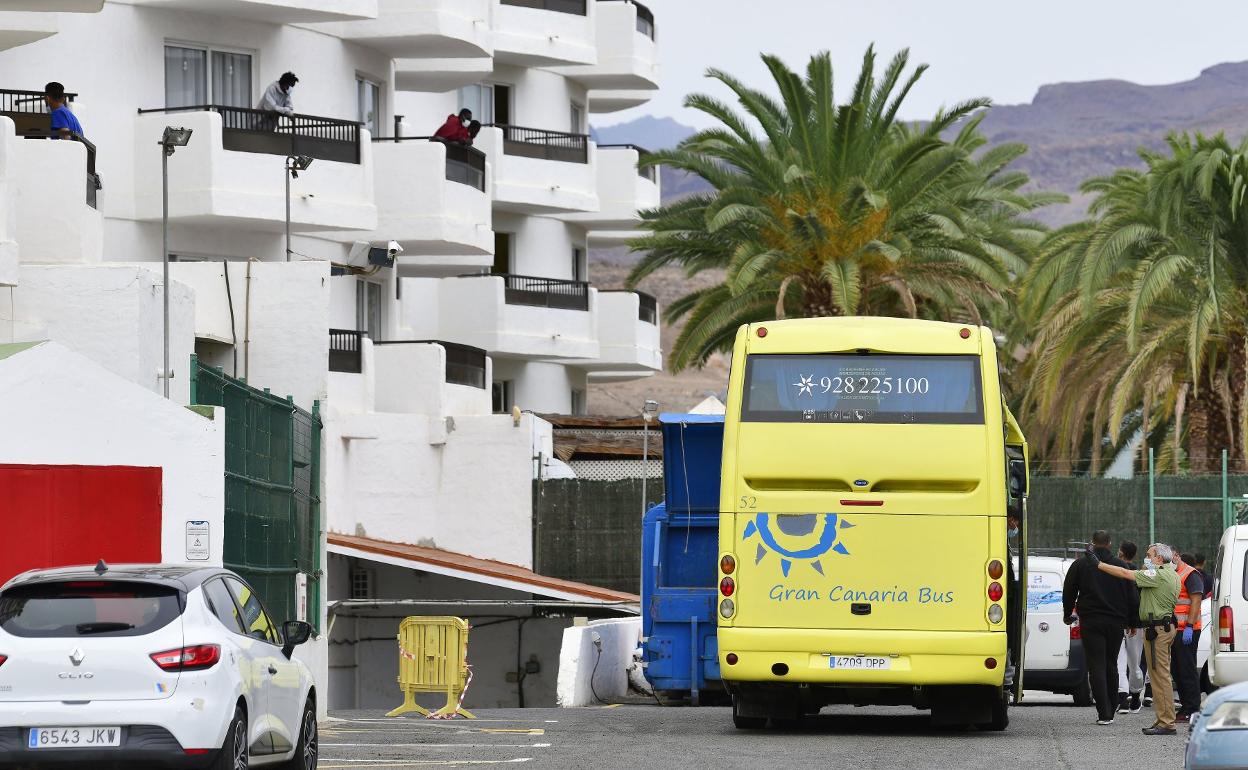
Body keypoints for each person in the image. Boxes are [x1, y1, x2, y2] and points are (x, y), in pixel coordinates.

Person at [1089, 542, 1182, 735]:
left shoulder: (1158, 574)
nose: (1146, 558)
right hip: (1161, 627)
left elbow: (1125, 573)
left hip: (1157, 629)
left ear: (1158, 558)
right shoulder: (1170, 573)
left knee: (1160, 677)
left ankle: (1167, 723)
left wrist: (1098, 564)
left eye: (1149, 555)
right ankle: (1163, 719)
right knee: (1158, 676)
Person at [1063, 530, 1135, 725]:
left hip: (1091, 621)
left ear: (1092, 543)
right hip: (1116, 622)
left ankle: (1104, 713)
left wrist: (1067, 613)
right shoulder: (1121, 566)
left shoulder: (1080, 565)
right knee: (1111, 663)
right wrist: (1132, 621)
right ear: (1110, 543)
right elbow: (1131, 595)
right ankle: (1112, 705)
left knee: (1096, 665)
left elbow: (1069, 590)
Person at [1170, 551, 1205, 722]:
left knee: (1187, 669)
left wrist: (1189, 626)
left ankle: (1192, 708)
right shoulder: (1174, 573)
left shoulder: (1191, 574)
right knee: (1177, 670)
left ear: (1176, 555)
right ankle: (1186, 706)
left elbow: (1196, 601)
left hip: (1187, 630)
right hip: (1176, 630)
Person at [1115, 540, 1145, 714]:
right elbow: (1137, 600)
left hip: (1119, 621)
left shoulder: (1115, 572)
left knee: (1119, 660)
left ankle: (1123, 696)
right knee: (1135, 663)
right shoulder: (1139, 574)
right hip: (1136, 623)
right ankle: (1134, 696)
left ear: (1120, 553)